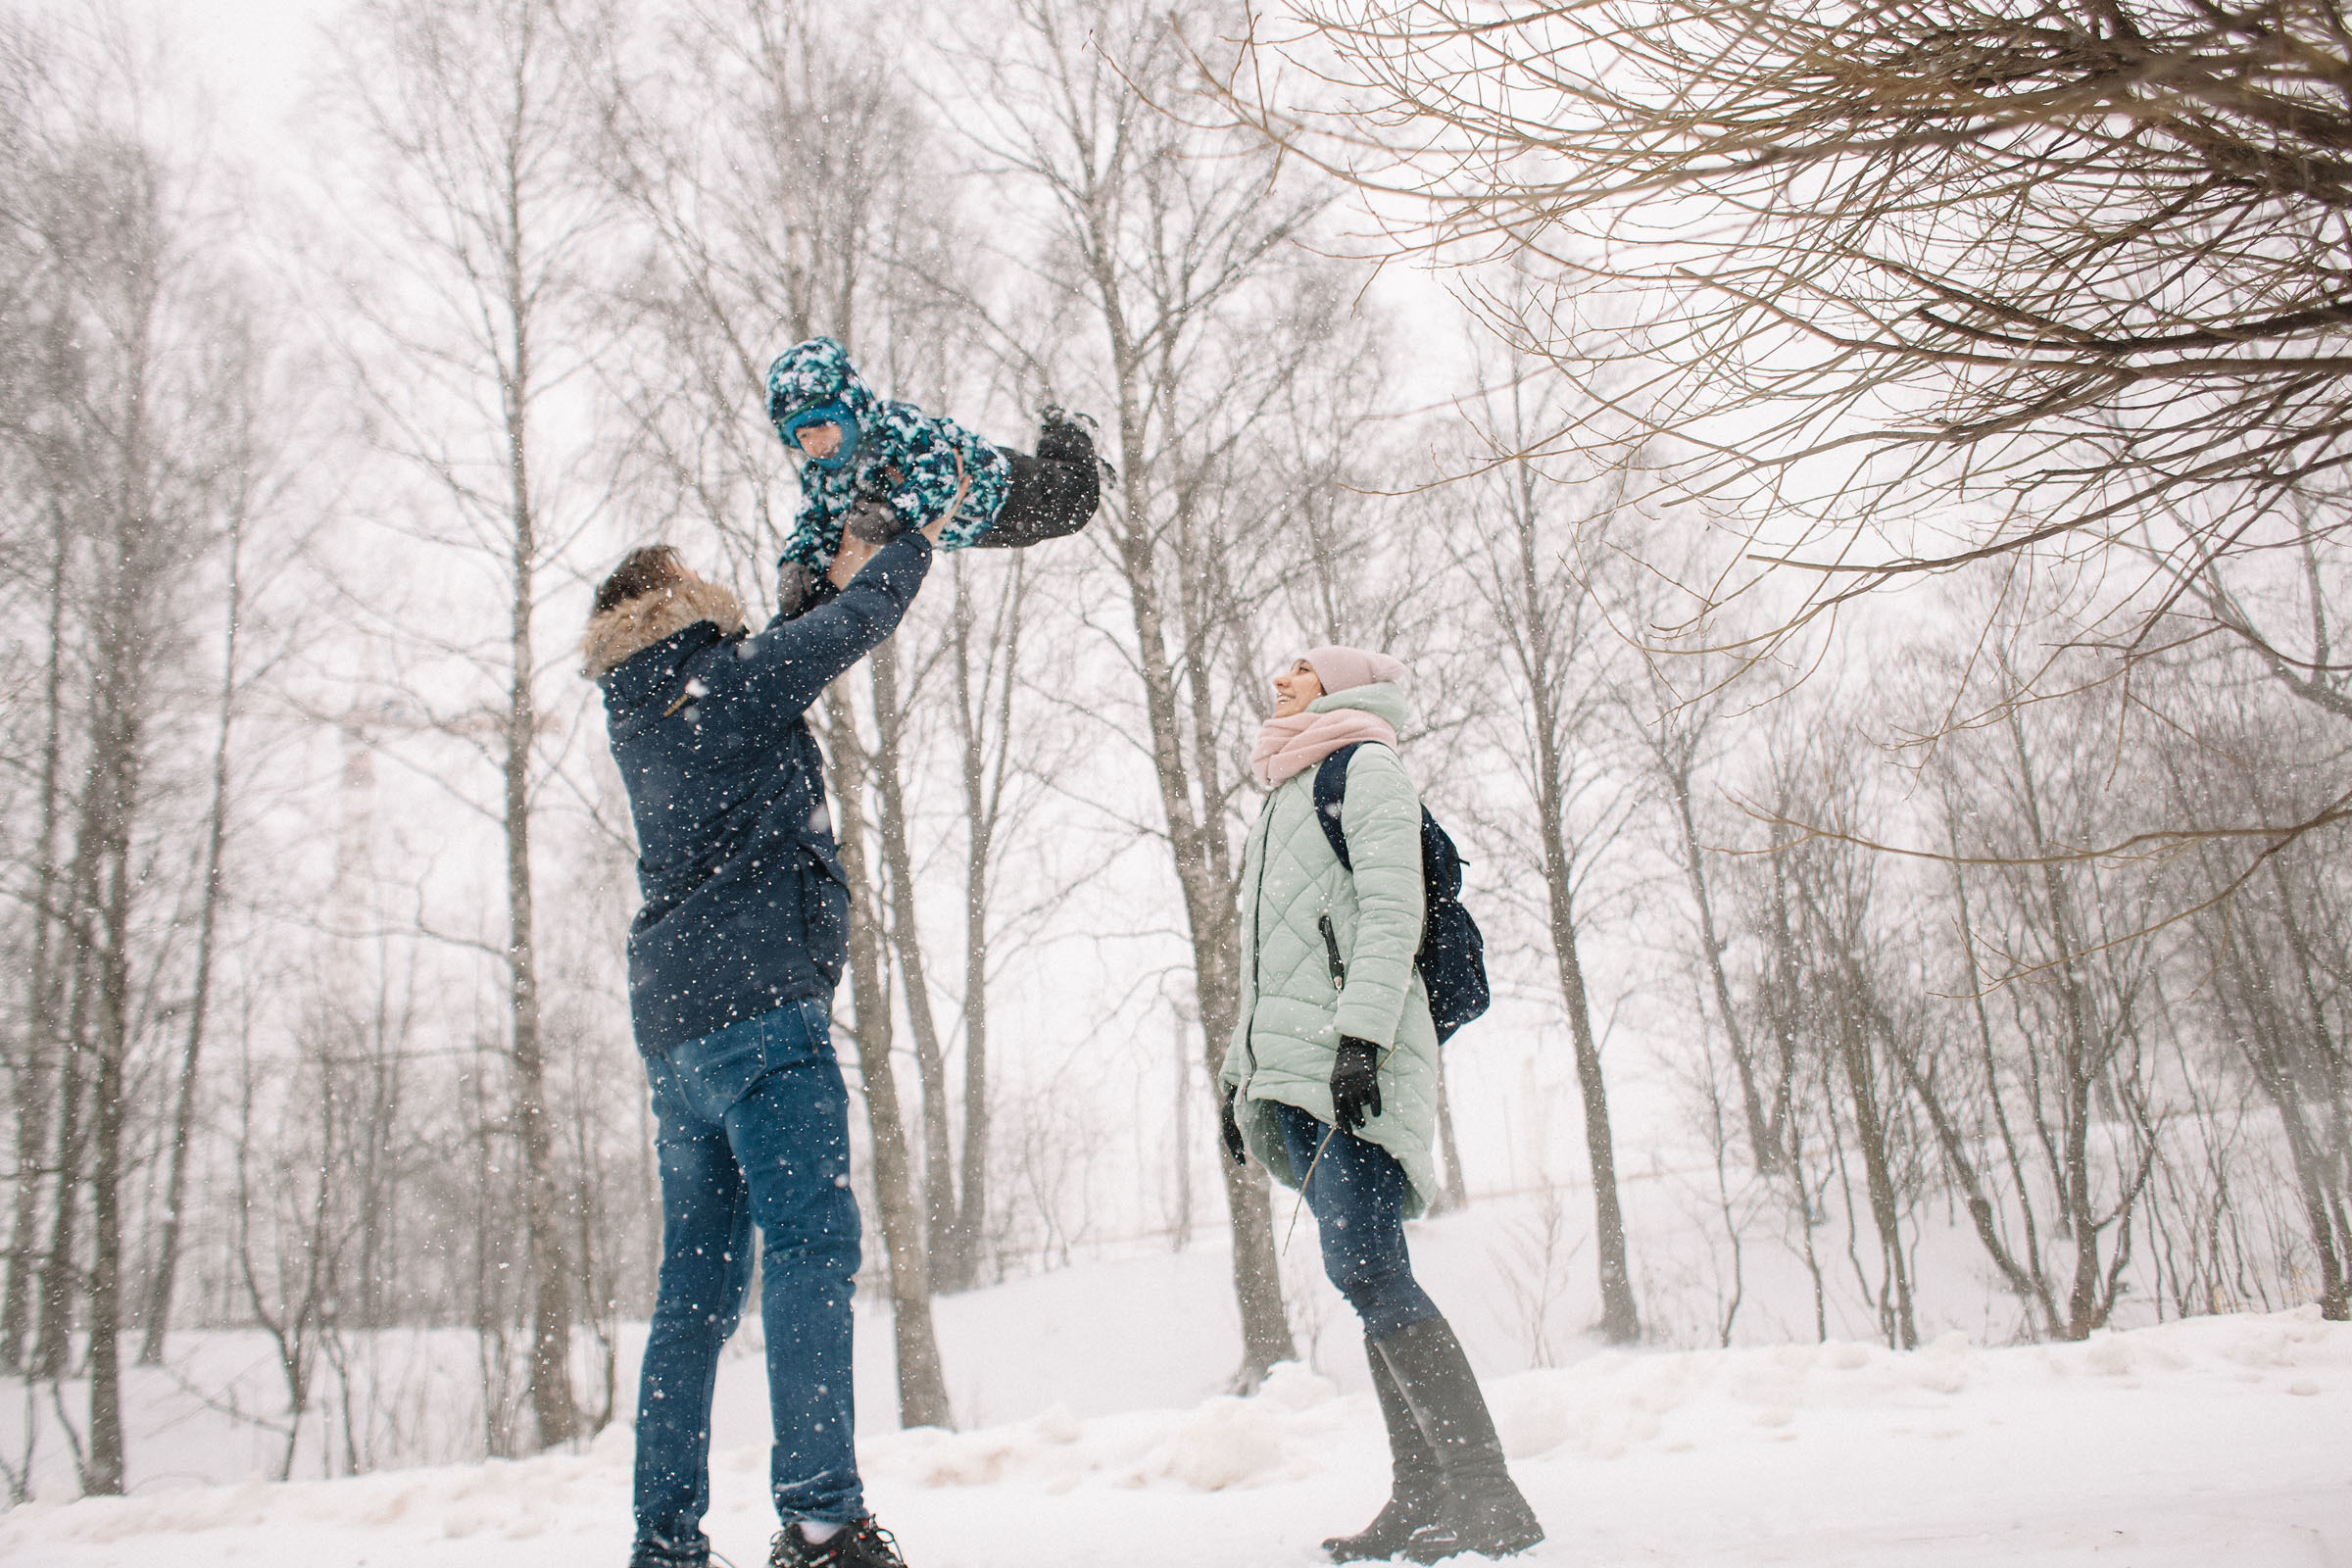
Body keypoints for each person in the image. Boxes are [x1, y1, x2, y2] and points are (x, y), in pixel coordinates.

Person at [584, 519, 940, 1568]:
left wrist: (800, 601)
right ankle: (825, 1522)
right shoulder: (719, 681)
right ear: (668, 599)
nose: (710, 579)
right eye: (692, 574)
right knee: (811, 1249)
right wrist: (912, 536)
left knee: (691, 1293)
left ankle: (665, 1542)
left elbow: (775, 666)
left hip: (679, 1030)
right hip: (762, 1011)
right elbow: (861, 618)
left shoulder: (650, 702)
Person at [1217, 647, 1544, 1564]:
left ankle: (1485, 1493)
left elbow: (1392, 912)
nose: (1281, 680)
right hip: (1291, 1070)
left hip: (1352, 1063)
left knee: (1368, 1270)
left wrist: (1363, 1038)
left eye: (1302, 671)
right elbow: (1259, 960)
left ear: (1347, 685)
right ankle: (1426, 1496)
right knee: (1368, 1274)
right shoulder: (1284, 794)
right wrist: (1235, 1074)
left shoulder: (1366, 769)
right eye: (1278, 672)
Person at [762, 336, 1103, 614]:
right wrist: (799, 563)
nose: (817, 445)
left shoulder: (895, 426)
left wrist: (894, 515)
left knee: (1074, 502)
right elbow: (815, 521)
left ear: (851, 409)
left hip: (999, 487)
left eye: (823, 427)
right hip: (971, 529)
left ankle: (1071, 430)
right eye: (803, 437)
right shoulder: (822, 476)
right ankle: (1058, 442)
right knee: (1036, 533)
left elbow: (939, 475)